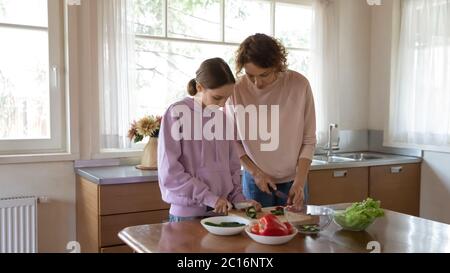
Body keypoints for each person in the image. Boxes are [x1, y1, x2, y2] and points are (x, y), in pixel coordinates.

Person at [158, 58, 261, 222]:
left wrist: (241, 201)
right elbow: (170, 173)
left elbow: (232, 168)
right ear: (200, 88)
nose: (222, 104)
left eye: (226, 98)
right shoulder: (176, 113)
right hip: (188, 215)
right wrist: (209, 198)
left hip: (220, 213)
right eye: (217, 97)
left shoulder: (222, 119)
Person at [228, 33, 317, 209]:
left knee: (296, 232)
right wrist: (255, 173)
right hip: (255, 180)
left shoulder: (299, 85)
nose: (257, 83)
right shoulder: (236, 90)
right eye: (250, 75)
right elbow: (232, 141)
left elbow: (308, 141)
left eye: (264, 75)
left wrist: (299, 182)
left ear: (277, 65)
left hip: (295, 180)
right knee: (255, 234)